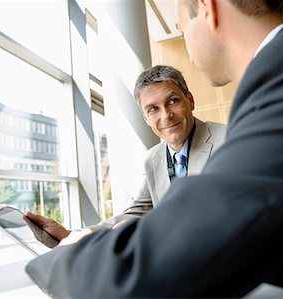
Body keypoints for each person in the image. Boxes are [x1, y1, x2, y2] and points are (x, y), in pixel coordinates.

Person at [26, 0, 283, 298]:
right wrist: (80, 235)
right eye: (151, 109)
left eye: (181, 28)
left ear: (207, 8)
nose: (186, 44)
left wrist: (70, 259)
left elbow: (194, 243)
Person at [25, 65, 226, 247]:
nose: (165, 115)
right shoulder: (153, 158)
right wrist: (73, 235)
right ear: (146, 118)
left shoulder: (228, 139)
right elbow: (133, 214)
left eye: (172, 101)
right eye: (153, 109)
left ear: (190, 100)